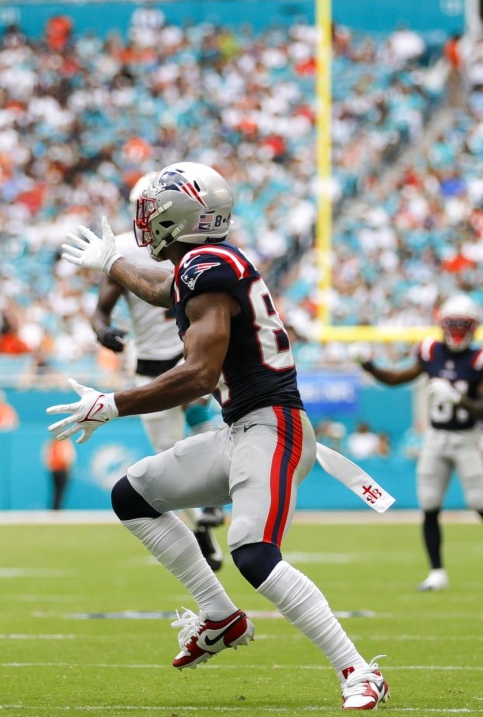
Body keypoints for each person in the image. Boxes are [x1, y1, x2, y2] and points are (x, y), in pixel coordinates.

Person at [49, 163, 389, 710]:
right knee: (132, 495)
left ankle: (358, 671)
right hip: (243, 428)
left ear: (179, 218)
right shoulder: (204, 264)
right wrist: (112, 261)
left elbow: (199, 376)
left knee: (253, 553)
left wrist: (112, 404)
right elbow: (159, 290)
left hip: (272, 427)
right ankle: (219, 616)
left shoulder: (206, 268)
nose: (144, 220)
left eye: (153, 210)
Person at [352, 294, 483, 592]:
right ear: (443, 325)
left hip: (466, 438)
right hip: (435, 438)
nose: (458, 331)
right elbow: (397, 378)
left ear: (474, 327)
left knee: (479, 504)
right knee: (429, 505)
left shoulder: (481, 359)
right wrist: (368, 365)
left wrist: (457, 397)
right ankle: (437, 572)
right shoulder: (431, 351)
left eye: (464, 324)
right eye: (454, 324)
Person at [91, 172, 225, 572]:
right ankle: (202, 524)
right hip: (149, 361)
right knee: (170, 455)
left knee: (198, 402)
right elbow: (101, 311)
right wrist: (103, 332)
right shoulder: (125, 251)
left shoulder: (200, 248)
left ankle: (212, 503)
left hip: (190, 351)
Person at [43, 435, 76, 510]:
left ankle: (55, 507)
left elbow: (46, 457)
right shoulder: (64, 443)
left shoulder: (51, 444)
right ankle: (57, 507)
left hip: (54, 470)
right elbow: (68, 457)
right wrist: (70, 468)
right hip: (62, 469)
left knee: (56, 490)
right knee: (60, 490)